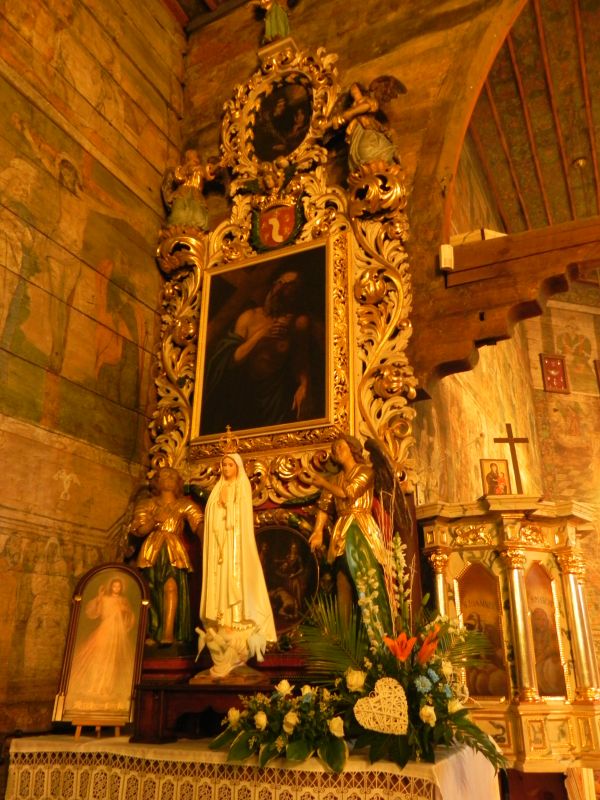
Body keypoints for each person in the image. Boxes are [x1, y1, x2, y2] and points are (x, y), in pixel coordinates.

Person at [201, 269, 320, 434]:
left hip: (274, 397)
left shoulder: (297, 323)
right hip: (242, 391)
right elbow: (232, 359)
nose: (282, 289)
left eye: (291, 286)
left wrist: (304, 385)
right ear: (274, 285)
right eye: (281, 282)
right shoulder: (250, 317)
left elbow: (300, 360)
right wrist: (262, 334)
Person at [199, 453, 277, 678]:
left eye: (230, 464)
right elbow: (211, 516)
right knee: (220, 585)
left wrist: (228, 506)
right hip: (219, 548)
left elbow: (241, 519)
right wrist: (218, 508)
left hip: (235, 548)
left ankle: (235, 622)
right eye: (223, 464)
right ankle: (222, 622)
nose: (226, 468)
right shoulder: (217, 489)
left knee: (234, 583)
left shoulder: (242, 487)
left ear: (237, 467)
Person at [306, 435, 389, 622]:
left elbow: (349, 493)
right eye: (334, 449)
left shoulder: (366, 472)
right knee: (342, 578)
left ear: (353, 449)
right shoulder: (335, 479)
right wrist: (318, 531)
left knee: (365, 576)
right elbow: (325, 506)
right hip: (341, 528)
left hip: (360, 526)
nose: (336, 451)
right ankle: (345, 633)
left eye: (340, 447)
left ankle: (376, 628)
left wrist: (323, 483)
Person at [130, 467, 203, 645]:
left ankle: (169, 632)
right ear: (156, 482)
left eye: (172, 476)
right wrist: (154, 520)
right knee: (152, 590)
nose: (168, 477)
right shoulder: (147, 504)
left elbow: (198, 523)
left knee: (171, 586)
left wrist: (207, 537)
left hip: (173, 549)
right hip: (152, 550)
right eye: (164, 475)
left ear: (178, 482)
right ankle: (153, 632)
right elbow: (139, 530)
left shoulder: (184, 504)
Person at [64, 576, 136, 715]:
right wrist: (99, 597)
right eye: (114, 586)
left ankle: (106, 687)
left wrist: (125, 611)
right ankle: (95, 685)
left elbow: (130, 618)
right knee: (99, 656)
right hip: (105, 630)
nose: (116, 588)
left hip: (117, 633)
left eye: (118, 586)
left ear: (121, 588)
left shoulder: (123, 601)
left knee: (112, 660)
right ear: (111, 587)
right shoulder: (105, 599)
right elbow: (94, 612)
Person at [331, 77, 406, 173]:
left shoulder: (371, 103)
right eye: (353, 93)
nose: (355, 94)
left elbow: (365, 107)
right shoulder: (360, 103)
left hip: (368, 130)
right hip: (360, 131)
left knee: (376, 150)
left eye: (356, 92)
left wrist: (349, 113)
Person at [161, 149, 220, 229]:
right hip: (182, 192)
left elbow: (209, 171)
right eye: (191, 158)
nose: (194, 160)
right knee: (179, 210)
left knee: (198, 214)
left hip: (196, 194)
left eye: (196, 157)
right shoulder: (182, 169)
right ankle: (175, 225)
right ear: (186, 160)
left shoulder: (200, 170)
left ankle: (197, 229)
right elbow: (178, 178)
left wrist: (218, 165)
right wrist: (187, 166)